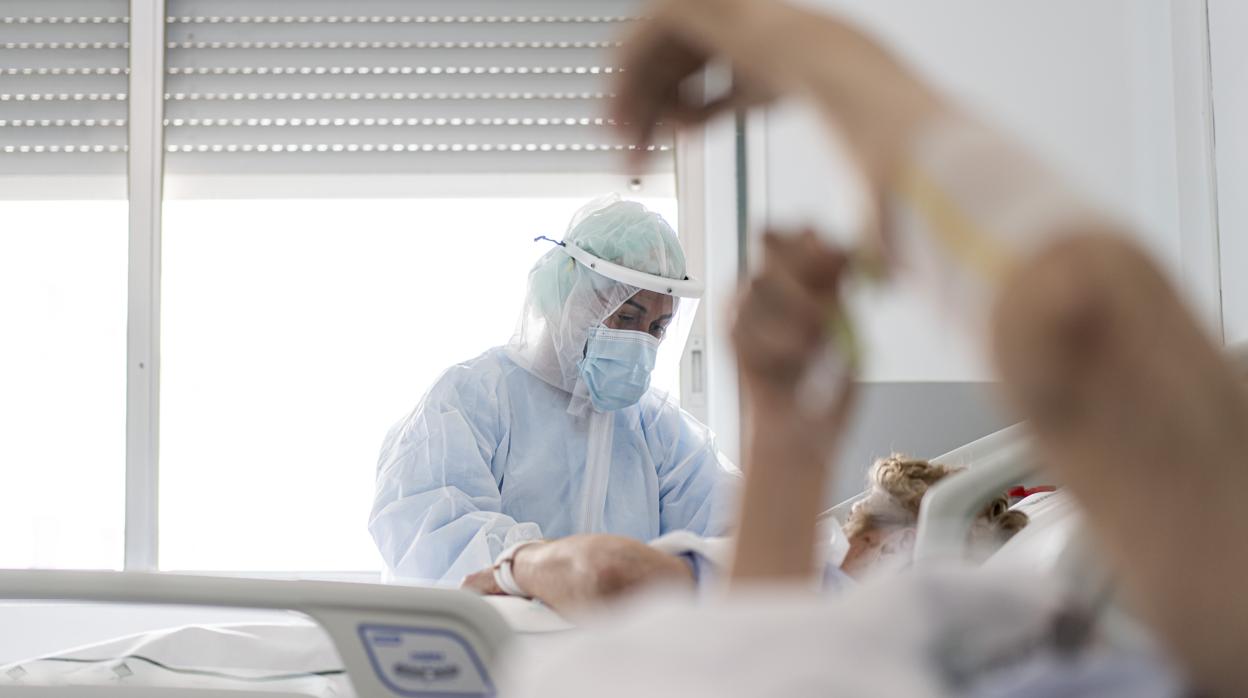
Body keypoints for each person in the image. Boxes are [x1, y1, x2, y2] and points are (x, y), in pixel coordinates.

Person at [500, 0, 1248, 694]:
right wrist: (832, 64)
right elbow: (1079, 329)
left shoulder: (891, 613)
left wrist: (512, 566)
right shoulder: (854, 600)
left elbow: (729, 651)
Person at [369, 197, 740, 585]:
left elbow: (740, 531)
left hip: (617, 645)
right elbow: (427, 532)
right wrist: (542, 568)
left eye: (657, 328)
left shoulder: (657, 430)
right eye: (627, 317)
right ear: (568, 294)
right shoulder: (473, 398)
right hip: (497, 641)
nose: (640, 342)